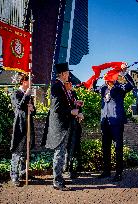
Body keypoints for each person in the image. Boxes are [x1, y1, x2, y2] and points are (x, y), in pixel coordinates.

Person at [95, 63, 134, 181]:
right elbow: (93, 87)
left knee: (118, 147)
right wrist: (96, 76)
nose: (107, 79)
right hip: (105, 122)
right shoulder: (103, 88)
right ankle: (106, 171)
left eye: (109, 76)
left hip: (117, 122)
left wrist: (125, 72)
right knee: (105, 147)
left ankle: (118, 173)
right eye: (106, 77)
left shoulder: (120, 88)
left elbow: (131, 85)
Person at [45, 62, 79, 191]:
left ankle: (59, 178)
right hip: (59, 126)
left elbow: (64, 103)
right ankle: (57, 181)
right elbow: (56, 108)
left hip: (63, 124)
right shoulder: (57, 87)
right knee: (59, 153)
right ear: (63, 74)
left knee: (61, 152)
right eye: (68, 73)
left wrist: (74, 103)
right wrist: (71, 111)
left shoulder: (61, 86)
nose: (69, 75)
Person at [10, 73, 36, 187]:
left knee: (26, 150)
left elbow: (33, 111)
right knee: (17, 151)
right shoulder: (16, 93)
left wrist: (32, 108)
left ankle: (23, 173)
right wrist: (26, 95)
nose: (32, 83)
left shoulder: (29, 95)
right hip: (20, 125)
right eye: (30, 80)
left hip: (29, 125)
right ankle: (14, 175)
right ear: (24, 82)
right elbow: (19, 106)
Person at [64, 81, 84, 179]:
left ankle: (73, 167)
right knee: (68, 147)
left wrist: (80, 112)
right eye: (69, 84)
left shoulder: (73, 93)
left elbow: (78, 107)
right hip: (67, 125)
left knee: (75, 146)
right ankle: (67, 169)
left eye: (71, 84)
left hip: (75, 124)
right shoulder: (63, 94)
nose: (71, 86)